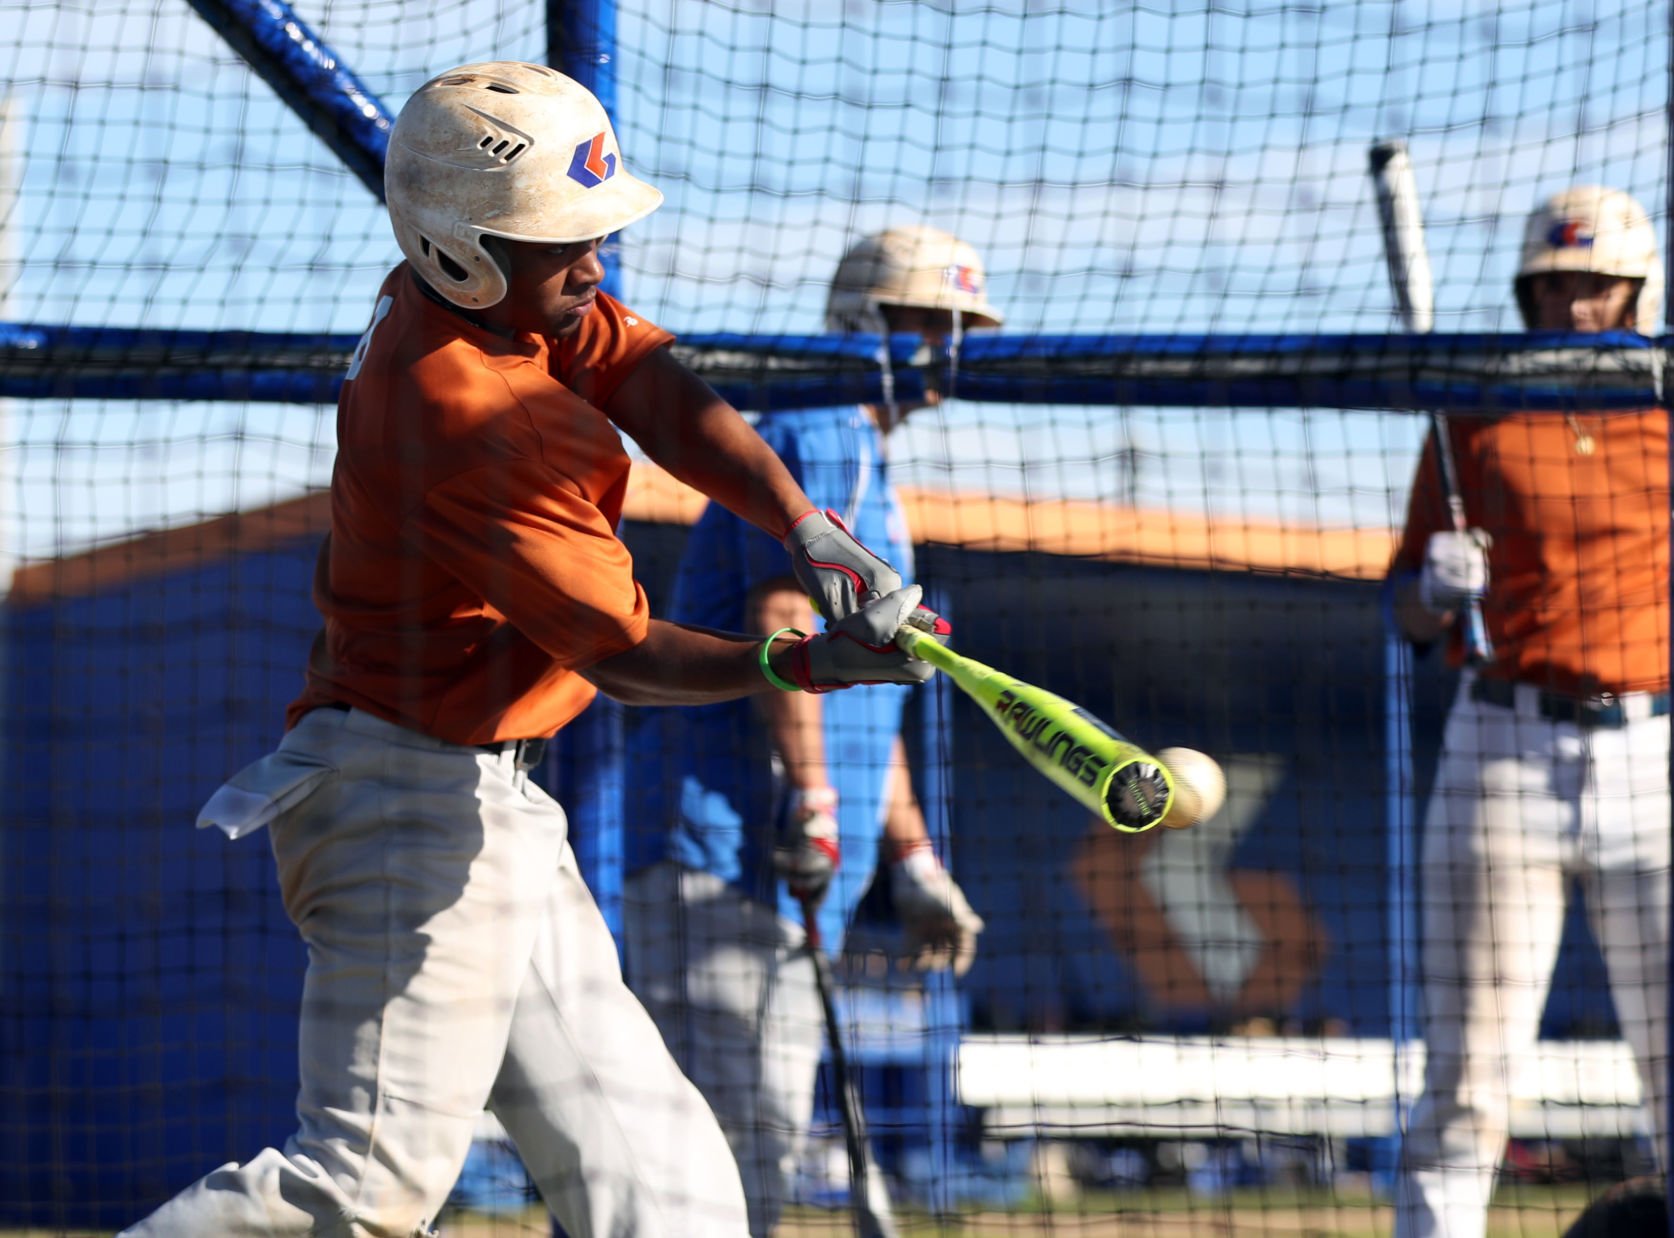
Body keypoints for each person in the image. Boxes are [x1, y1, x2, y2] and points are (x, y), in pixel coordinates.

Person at [119, 61, 946, 1238]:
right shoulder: (469, 406)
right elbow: (624, 654)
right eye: (563, 240)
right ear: (459, 247)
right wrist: (805, 665)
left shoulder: (495, 299)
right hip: (405, 806)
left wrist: (805, 524)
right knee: (360, 1187)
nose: (593, 262)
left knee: (667, 1188)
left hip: (484, 801)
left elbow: (648, 379)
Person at [622, 225, 998, 1236]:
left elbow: (871, 686)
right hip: (732, 860)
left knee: (726, 1164)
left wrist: (910, 853)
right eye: (936, 324)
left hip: (761, 871)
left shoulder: (863, 451)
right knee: (724, 1171)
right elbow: (784, 623)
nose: (951, 351)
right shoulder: (830, 424)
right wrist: (817, 801)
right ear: (871, 323)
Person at [1389, 186, 1670, 1238]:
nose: (1571, 307)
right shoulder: (1474, 412)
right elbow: (1402, 612)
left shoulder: (1668, 401)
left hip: (1655, 751)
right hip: (1501, 738)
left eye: (1593, 287)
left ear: (1636, 291)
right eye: (1550, 287)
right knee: (1468, 1078)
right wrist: (1434, 586)